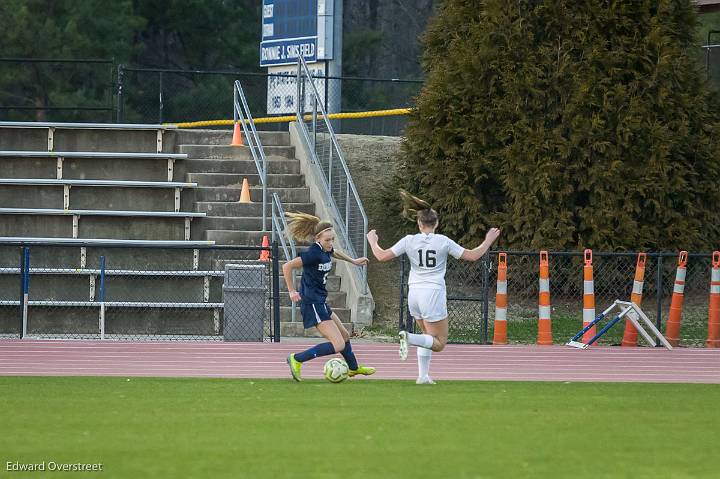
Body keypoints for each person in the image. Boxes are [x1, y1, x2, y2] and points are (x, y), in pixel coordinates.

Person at [366, 190, 501, 384]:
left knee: (428, 336)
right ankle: (408, 337)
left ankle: (422, 376)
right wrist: (488, 240)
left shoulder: (409, 240)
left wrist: (373, 241)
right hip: (433, 293)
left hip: (414, 294)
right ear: (436, 223)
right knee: (439, 344)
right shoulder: (442, 241)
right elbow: (472, 256)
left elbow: (381, 256)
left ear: (419, 223)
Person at [283, 212, 376, 381]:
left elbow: (335, 252)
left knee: (345, 336)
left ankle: (353, 368)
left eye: (332, 239)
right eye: (327, 240)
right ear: (318, 238)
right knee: (338, 344)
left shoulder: (325, 249)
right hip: (312, 303)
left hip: (320, 302)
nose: (331, 243)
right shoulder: (313, 253)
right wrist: (291, 290)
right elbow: (287, 267)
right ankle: (297, 359)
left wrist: (354, 261)